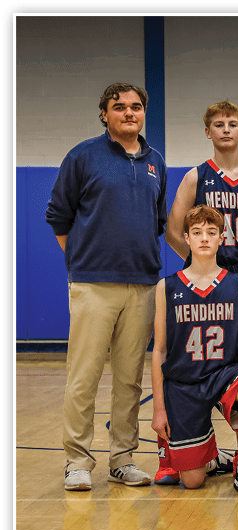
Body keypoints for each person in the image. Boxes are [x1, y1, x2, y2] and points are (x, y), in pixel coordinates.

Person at [46, 82, 167, 491]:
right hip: (92, 285)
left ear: (143, 113)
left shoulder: (156, 161)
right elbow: (58, 216)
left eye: (136, 107)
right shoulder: (82, 156)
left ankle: (123, 458)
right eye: (119, 107)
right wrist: (82, 259)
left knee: (129, 380)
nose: (129, 113)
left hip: (143, 285)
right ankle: (77, 461)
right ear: (104, 114)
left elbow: (158, 221)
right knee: (84, 377)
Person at [161, 100, 238, 485]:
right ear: (208, 132)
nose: (226, 130)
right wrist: (203, 263)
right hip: (206, 276)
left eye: (232, 124)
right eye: (219, 124)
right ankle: (188, 445)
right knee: (190, 355)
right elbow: (173, 229)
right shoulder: (197, 176)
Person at [150, 205, 238, 498]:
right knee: (193, 481)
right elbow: (159, 351)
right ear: (186, 238)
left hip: (223, 374)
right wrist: (159, 409)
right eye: (197, 232)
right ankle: (212, 458)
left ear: (222, 238)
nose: (204, 238)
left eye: (211, 232)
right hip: (183, 383)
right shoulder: (166, 287)